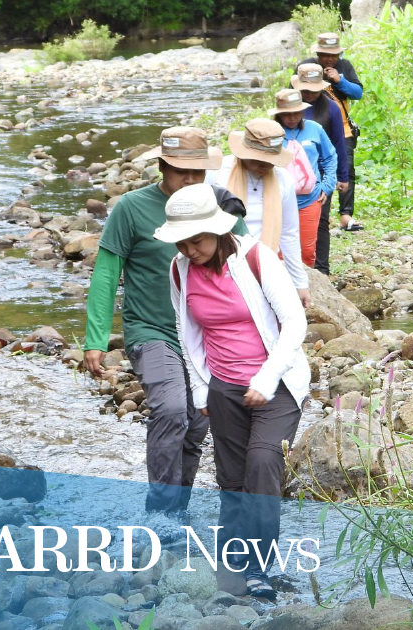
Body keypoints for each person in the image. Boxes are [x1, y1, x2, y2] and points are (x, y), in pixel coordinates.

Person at [154, 184, 310, 600]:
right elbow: (189, 335)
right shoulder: (179, 270)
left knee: (262, 463)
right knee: (232, 477)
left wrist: (265, 378)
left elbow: (294, 323)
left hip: (276, 384)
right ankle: (233, 558)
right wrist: (204, 391)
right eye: (181, 241)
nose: (189, 249)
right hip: (223, 387)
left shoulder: (257, 258)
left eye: (197, 239)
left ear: (219, 231)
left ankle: (260, 566)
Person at [82, 126, 247, 517]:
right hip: (153, 330)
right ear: (161, 166)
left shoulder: (219, 206)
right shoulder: (131, 208)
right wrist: (96, 338)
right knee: (172, 408)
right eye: (179, 171)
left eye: (197, 172)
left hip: (209, 334)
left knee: (196, 422)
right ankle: (160, 512)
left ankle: (178, 509)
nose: (189, 180)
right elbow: (107, 273)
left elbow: (247, 263)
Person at [209, 118, 311, 308]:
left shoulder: (283, 180)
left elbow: (289, 233)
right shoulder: (218, 173)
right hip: (220, 264)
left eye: (271, 159)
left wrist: (300, 283)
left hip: (264, 266)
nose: (265, 164)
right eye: (259, 158)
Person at [298, 33, 364, 232]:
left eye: (333, 55)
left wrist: (339, 80)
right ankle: (316, 210)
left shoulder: (345, 67)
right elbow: (292, 94)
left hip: (341, 127)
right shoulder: (306, 67)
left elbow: (357, 93)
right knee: (312, 167)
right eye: (325, 55)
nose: (329, 59)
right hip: (309, 128)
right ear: (317, 53)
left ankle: (345, 214)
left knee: (347, 169)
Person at [271, 88, 338, 274]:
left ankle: (307, 290)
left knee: (307, 250)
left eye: (296, 113)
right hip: (279, 201)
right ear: (279, 115)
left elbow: (330, 157)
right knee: (280, 250)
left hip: (310, 199)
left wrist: (328, 184)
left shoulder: (314, 129)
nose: (292, 118)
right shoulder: (272, 134)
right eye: (287, 114)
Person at [292, 64, 351, 274]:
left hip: (320, 176)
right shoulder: (288, 106)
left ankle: (322, 270)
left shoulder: (331, 108)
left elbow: (338, 144)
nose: (309, 94)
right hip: (289, 177)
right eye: (305, 89)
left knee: (321, 221)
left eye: (313, 90)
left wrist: (341, 177)